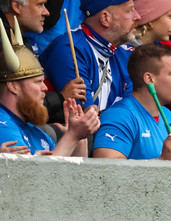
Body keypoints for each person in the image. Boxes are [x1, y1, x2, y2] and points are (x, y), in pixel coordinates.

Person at [92, 43, 171, 161]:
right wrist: (162, 160)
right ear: (149, 79)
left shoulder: (167, 115)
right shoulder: (119, 116)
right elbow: (108, 172)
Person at [40, 0, 142, 111]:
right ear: (105, 18)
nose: (138, 17)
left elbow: (132, 111)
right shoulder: (69, 49)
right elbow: (86, 114)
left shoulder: (123, 53)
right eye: (129, 11)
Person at [0, 20, 99, 156]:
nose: (45, 87)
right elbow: (38, 171)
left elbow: (74, 169)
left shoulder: (38, 134)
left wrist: (79, 138)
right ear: (13, 86)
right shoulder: (3, 125)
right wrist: (72, 136)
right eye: (37, 82)